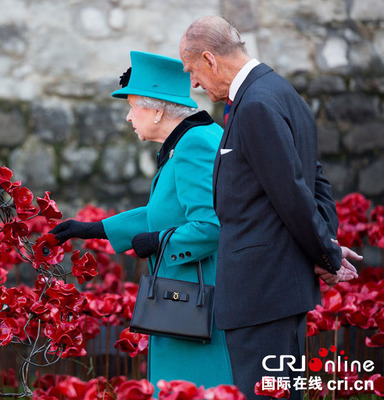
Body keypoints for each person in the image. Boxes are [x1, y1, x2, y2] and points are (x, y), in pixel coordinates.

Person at [179, 16, 360, 400]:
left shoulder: (256, 104)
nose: (193, 82)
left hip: (260, 294)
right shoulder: (280, 91)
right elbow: (314, 181)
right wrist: (322, 245)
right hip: (275, 290)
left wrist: (325, 254)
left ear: (210, 60)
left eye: (192, 70)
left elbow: (295, 192)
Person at [51, 51, 232, 391]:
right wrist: (96, 230)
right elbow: (164, 212)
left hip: (195, 296)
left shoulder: (195, 145)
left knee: (193, 387)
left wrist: (160, 241)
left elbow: (211, 226)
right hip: (186, 295)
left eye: (133, 106)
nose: (128, 117)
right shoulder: (190, 140)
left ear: (159, 109)